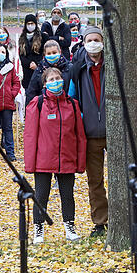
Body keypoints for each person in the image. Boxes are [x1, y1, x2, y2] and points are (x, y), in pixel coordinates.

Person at [25, 67, 87, 244]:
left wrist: (80, 162)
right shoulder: (37, 103)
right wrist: (30, 163)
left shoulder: (72, 104)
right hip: (43, 158)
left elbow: (80, 135)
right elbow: (30, 135)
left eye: (58, 78)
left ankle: (69, 227)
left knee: (67, 195)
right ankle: (38, 229)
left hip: (67, 158)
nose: (55, 82)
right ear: (44, 84)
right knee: (41, 195)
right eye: (51, 79)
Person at [65, 26, 108, 237]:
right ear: (83, 42)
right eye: (89, 39)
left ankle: (124, 217)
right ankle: (101, 221)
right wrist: (81, 118)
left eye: (97, 39)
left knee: (123, 176)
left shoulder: (113, 66)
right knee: (95, 181)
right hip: (90, 134)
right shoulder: (78, 68)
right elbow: (71, 100)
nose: (93, 43)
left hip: (113, 132)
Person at [18, 14, 44, 91]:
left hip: (39, 70)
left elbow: (44, 52)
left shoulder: (43, 37)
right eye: (28, 24)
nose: (30, 25)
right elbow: (21, 55)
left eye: (32, 23)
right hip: (27, 71)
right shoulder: (22, 38)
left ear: (35, 24)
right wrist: (29, 63)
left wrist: (37, 64)